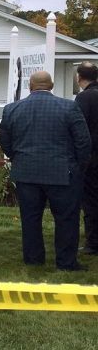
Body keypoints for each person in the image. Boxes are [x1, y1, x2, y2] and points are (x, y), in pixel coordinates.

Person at [0, 71, 91, 271]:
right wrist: (78, 168)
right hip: (63, 173)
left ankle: (33, 259)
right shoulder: (69, 107)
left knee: (30, 218)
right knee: (67, 219)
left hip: (26, 172)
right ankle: (66, 262)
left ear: (30, 86)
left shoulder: (12, 109)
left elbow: (5, 142)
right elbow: (83, 142)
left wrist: (18, 158)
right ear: (51, 86)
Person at [75, 62, 98, 255]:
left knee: (91, 201)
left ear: (79, 77)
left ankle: (93, 242)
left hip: (92, 157)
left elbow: (79, 129)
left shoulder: (84, 98)